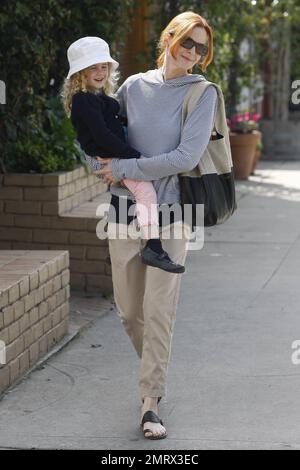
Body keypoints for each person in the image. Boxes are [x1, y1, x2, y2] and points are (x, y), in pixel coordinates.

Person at [94, 11, 219, 440]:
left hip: (172, 214)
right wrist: (99, 162)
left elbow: (185, 157)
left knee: (158, 309)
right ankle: (155, 371)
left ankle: (150, 402)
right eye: (187, 41)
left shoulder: (203, 93)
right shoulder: (132, 86)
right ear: (168, 38)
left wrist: (127, 165)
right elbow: (103, 137)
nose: (193, 52)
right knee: (130, 311)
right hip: (123, 211)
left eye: (201, 47)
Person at [61, 36, 185, 274]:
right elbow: (102, 135)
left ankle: (138, 242)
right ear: (80, 74)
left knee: (140, 194)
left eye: (103, 67)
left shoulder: (97, 98)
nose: (100, 72)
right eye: (93, 68)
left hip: (114, 155)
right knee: (145, 190)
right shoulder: (83, 101)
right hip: (109, 158)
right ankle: (153, 246)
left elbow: (115, 115)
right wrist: (135, 157)